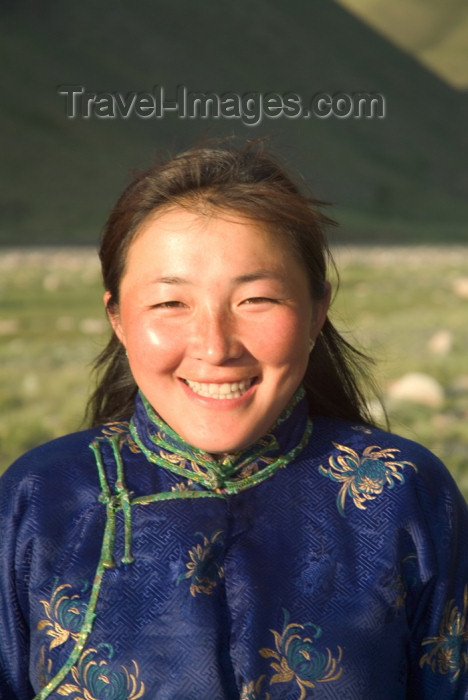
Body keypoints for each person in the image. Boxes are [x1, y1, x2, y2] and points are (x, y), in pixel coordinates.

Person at [1, 141, 467, 699]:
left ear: (317, 310)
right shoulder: (38, 501)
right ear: (118, 318)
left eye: (257, 299)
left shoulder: (401, 494)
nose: (215, 347)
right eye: (171, 304)